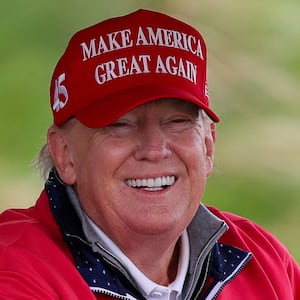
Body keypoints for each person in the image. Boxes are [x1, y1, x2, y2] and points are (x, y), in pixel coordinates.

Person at [0, 9, 299, 300]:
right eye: (120, 125)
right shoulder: (12, 270)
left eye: (177, 121)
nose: (155, 150)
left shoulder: (263, 260)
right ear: (65, 154)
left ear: (208, 146)